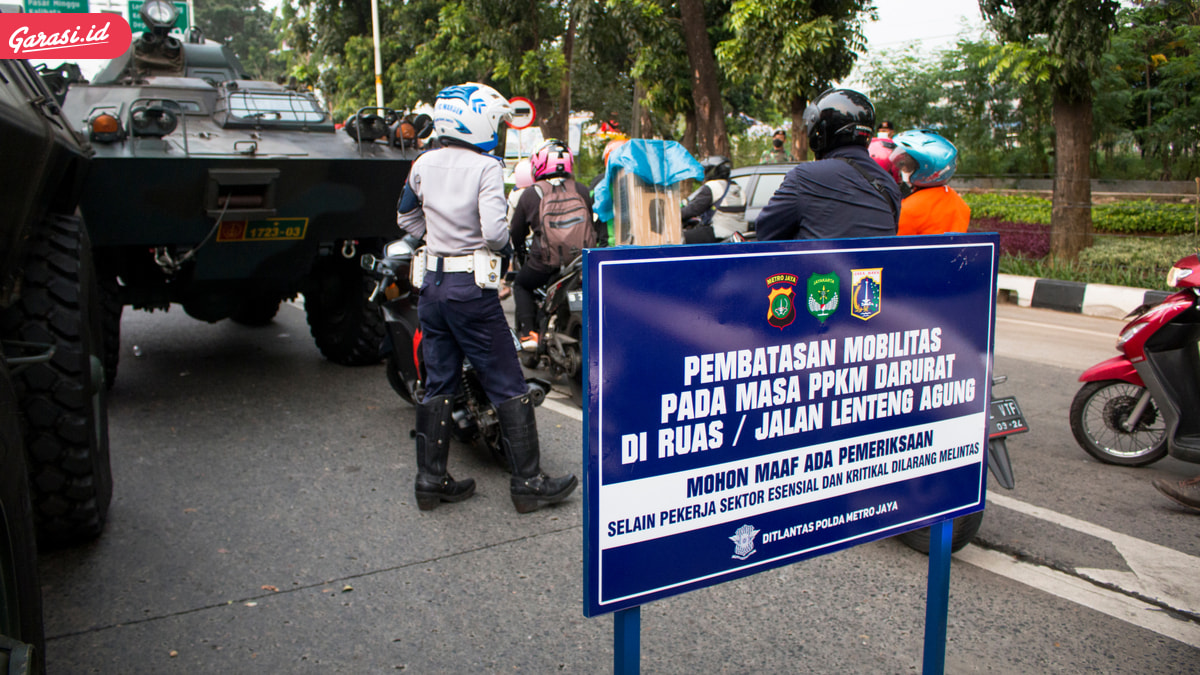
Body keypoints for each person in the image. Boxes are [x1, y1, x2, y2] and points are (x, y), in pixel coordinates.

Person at [396, 82, 577, 513]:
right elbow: (497, 233)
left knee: (438, 381)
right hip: (469, 290)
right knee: (507, 382)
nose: (497, 130)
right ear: (475, 120)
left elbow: (406, 218)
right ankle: (528, 482)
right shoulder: (485, 169)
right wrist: (477, 246)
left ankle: (430, 479)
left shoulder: (421, 163)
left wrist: (437, 239)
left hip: (433, 290)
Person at [754, 89, 901, 241]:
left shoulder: (804, 177)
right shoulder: (889, 183)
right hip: (876, 265)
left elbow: (766, 232)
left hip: (822, 265)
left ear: (821, 131)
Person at [508, 138, 595, 351]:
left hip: (545, 263)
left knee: (521, 284)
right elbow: (593, 224)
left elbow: (516, 233)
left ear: (538, 164)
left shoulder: (531, 194)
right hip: (581, 261)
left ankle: (529, 332)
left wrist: (519, 253)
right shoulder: (582, 190)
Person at [890, 130, 970, 235]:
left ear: (926, 170)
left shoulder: (909, 208)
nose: (902, 170)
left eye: (908, 166)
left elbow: (897, 247)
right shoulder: (960, 204)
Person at [680, 155, 746, 242]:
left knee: (681, 238)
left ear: (712, 171)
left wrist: (676, 214)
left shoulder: (714, 186)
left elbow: (694, 209)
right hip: (739, 232)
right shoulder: (737, 188)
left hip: (719, 232)